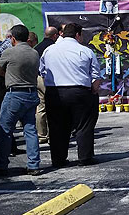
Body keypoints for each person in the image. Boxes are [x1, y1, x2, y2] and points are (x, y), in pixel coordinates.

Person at [40, 23, 101, 168]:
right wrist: (93, 91)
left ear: (62, 34)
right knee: (84, 125)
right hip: (79, 91)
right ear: (78, 35)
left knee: (56, 127)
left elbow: (42, 72)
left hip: (55, 91)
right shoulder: (85, 51)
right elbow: (96, 76)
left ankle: (58, 159)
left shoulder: (49, 50)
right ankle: (85, 157)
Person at [0, 24, 41, 176]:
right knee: (30, 130)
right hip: (31, 93)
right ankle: (34, 164)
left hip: (15, 93)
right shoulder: (34, 53)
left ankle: (1, 165)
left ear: (13, 38)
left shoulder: (10, 52)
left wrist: (9, 76)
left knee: (4, 130)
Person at [33, 27, 59, 143]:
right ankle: (52, 134)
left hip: (37, 78)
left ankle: (41, 135)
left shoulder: (37, 47)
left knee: (41, 107)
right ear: (54, 36)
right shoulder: (53, 47)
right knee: (53, 106)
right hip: (47, 78)